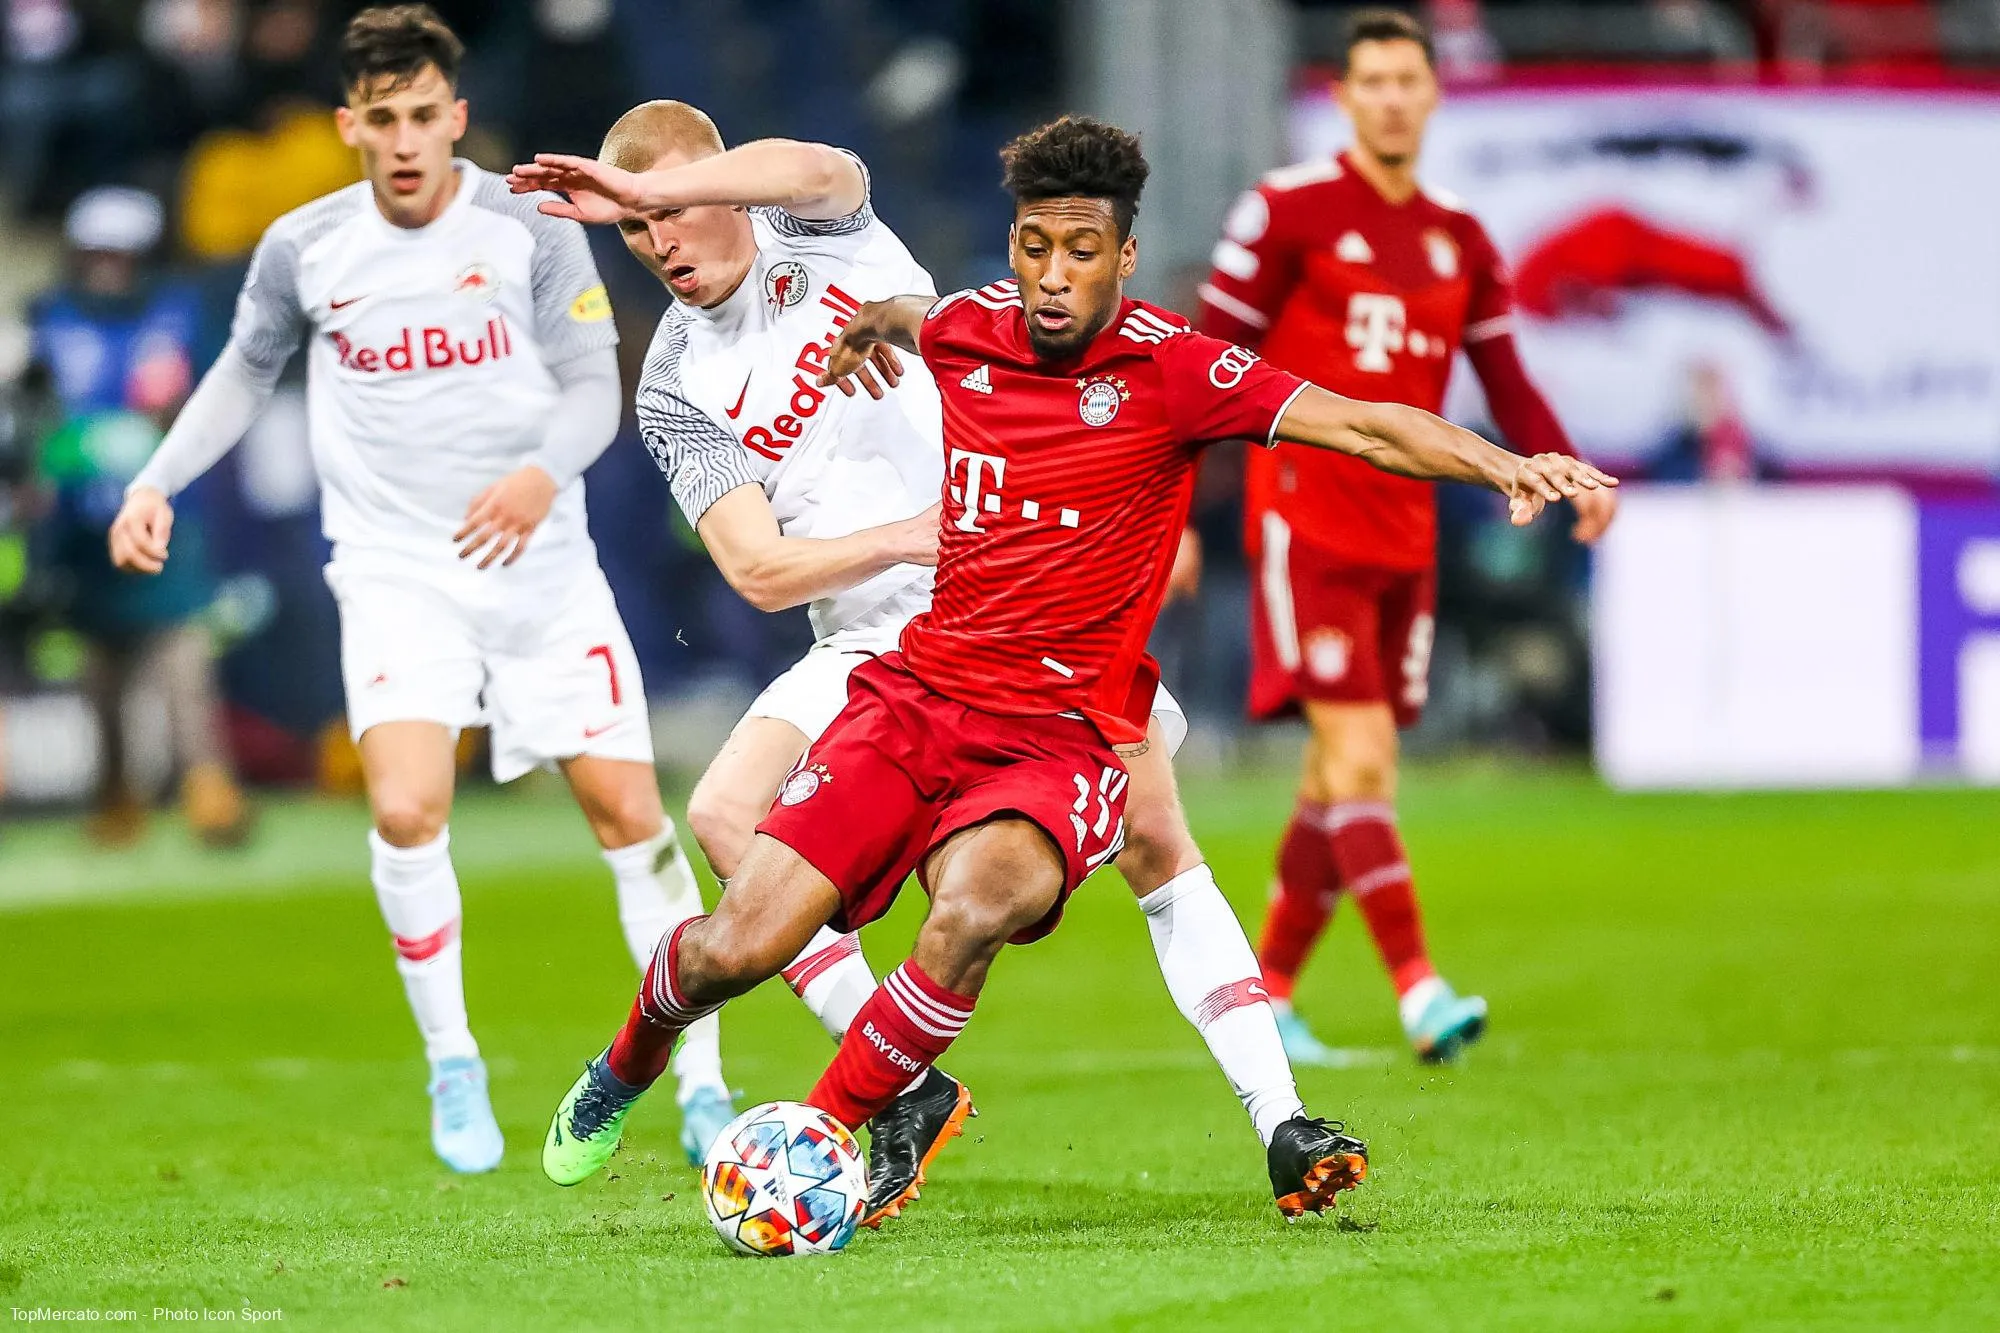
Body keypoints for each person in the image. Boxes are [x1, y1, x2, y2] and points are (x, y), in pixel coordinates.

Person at [529, 114, 1614, 1233]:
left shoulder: (851, 237)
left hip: (1053, 690)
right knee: (725, 886)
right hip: (889, 650)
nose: (1050, 278)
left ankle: (869, 1122)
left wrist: (1503, 462)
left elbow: (1361, 425)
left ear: (1123, 255)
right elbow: (765, 550)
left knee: (1046, 877)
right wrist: (905, 495)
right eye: (1032, 248)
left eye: (1079, 251)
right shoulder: (722, 371)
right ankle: (649, 1061)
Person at [105, 4, 711, 1176]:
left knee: (631, 822)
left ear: (457, 118)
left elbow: (595, 385)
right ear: (349, 124)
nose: (404, 138)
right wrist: (157, 478)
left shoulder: (529, 225)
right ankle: (453, 1061)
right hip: (395, 568)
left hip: (539, 565)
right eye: (380, 118)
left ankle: (700, 1078)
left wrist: (541, 475)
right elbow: (241, 374)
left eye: (424, 115)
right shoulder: (306, 246)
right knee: (402, 810)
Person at [1194, 8, 1618, 1066]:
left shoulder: (1459, 237)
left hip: (1404, 527)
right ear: (1340, 96)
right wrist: (1166, 513)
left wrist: (1562, 467)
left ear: (1430, 95)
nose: (1388, 97)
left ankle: (1270, 991)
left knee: (1334, 778)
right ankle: (1419, 988)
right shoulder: (1285, 211)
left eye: (1405, 81)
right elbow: (1200, 367)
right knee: (1363, 754)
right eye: (1370, 80)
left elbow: (1504, 378)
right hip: (1303, 511)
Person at [30, 185, 249, 847]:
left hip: (163, 508)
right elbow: (33, 410)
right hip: (79, 519)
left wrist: (163, 417)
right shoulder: (47, 319)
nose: (108, 266)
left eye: (121, 253)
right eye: (96, 252)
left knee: (180, 653)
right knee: (100, 668)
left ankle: (207, 784)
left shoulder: (180, 313)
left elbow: (215, 392)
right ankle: (116, 790)